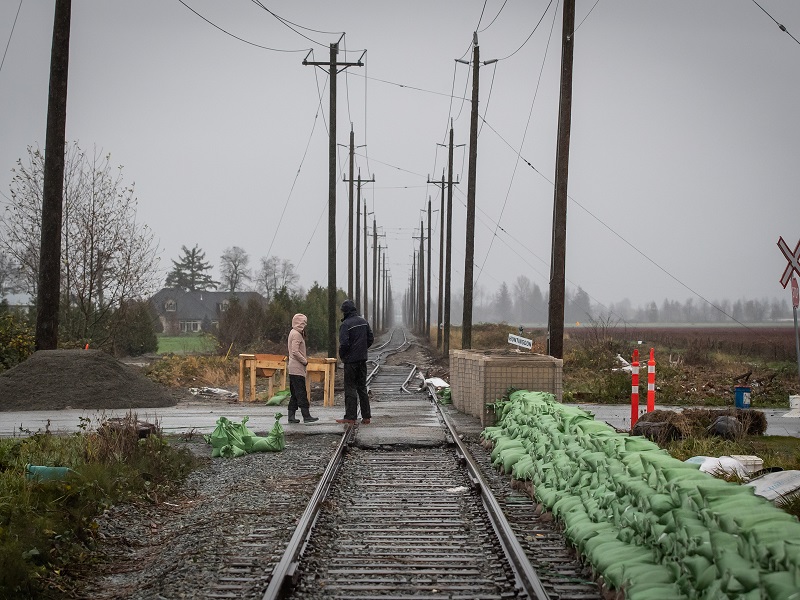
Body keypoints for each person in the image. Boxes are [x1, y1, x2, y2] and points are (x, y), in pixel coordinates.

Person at [336, 299, 374, 425]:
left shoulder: (346, 324)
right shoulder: (363, 322)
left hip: (351, 361)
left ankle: (351, 417)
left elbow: (344, 344)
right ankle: (366, 416)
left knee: (350, 387)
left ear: (345, 311)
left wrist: (344, 356)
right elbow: (370, 338)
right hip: (362, 359)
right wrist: (362, 349)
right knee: (362, 387)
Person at [287, 313, 318, 424]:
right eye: (304, 323)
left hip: (292, 367)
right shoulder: (297, 334)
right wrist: (304, 361)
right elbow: (295, 351)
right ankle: (306, 415)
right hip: (297, 368)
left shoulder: (293, 332)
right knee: (301, 392)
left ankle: (291, 416)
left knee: (295, 393)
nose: (305, 325)